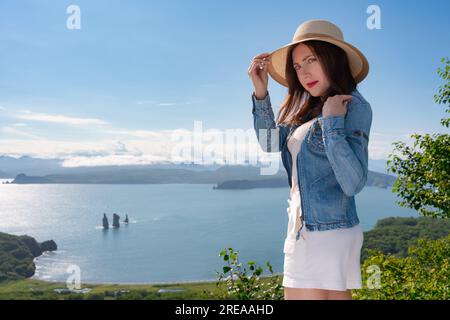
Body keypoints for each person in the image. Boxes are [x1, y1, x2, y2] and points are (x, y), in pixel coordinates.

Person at [248, 19, 372, 300]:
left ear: (332, 58)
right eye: (297, 66)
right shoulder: (308, 107)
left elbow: (353, 182)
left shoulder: (351, 106)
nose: (304, 73)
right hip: (306, 229)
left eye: (311, 60)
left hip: (326, 233)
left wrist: (332, 124)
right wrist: (260, 92)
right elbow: (269, 144)